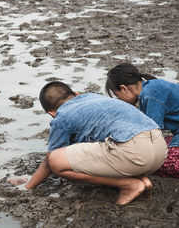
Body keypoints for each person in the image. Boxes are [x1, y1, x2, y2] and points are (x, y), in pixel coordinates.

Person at [11, 81, 168, 205]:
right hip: (160, 148)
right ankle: (142, 180)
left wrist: (28, 186)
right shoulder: (93, 97)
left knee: (56, 160)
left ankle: (129, 185)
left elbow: (49, 162)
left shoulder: (61, 117)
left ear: (51, 113)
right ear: (77, 94)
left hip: (135, 152)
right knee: (106, 144)